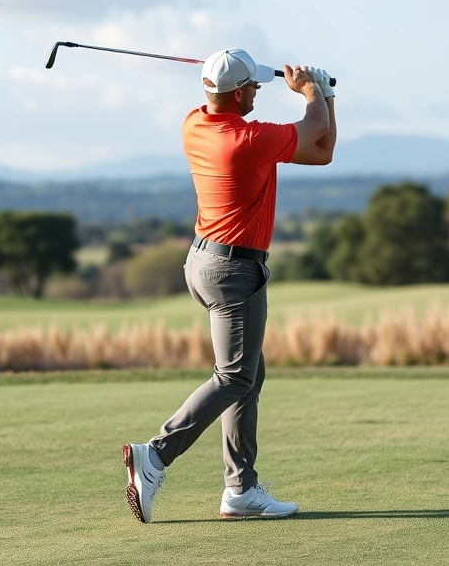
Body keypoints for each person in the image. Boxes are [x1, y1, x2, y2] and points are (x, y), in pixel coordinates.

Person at [122, 49, 337, 523]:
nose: (259, 90)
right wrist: (313, 90)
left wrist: (325, 97)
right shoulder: (251, 140)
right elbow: (315, 125)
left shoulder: (194, 124)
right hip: (233, 271)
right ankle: (155, 455)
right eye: (254, 86)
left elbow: (322, 152)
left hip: (206, 263)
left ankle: (241, 490)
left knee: (247, 375)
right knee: (236, 376)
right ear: (239, 93)